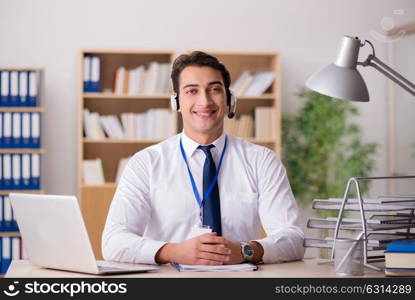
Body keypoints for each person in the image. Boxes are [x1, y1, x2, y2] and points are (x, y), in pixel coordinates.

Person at [102, 51, 304, 265]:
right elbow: (113, 241)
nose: (204, 101)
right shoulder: (146, 163)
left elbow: (294, 239)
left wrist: (247, 250)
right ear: (176, 102)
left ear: (229, 100)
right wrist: (172, 252)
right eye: (192, 91)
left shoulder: (262, 161)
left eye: (215, 89)